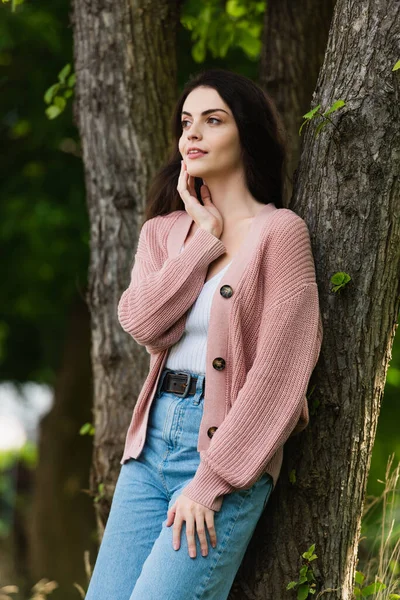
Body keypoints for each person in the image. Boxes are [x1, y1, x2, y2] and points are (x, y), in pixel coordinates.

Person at [85, 67, 323, 600]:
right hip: (148, 451)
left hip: (225, 450)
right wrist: (204, 239)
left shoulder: (280, 234)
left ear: (248, 134)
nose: (192, 134)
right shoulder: (164, 232)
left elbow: (281, 376)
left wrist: (212, 481)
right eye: (186, 122)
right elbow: (142, 322)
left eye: (212, 121)